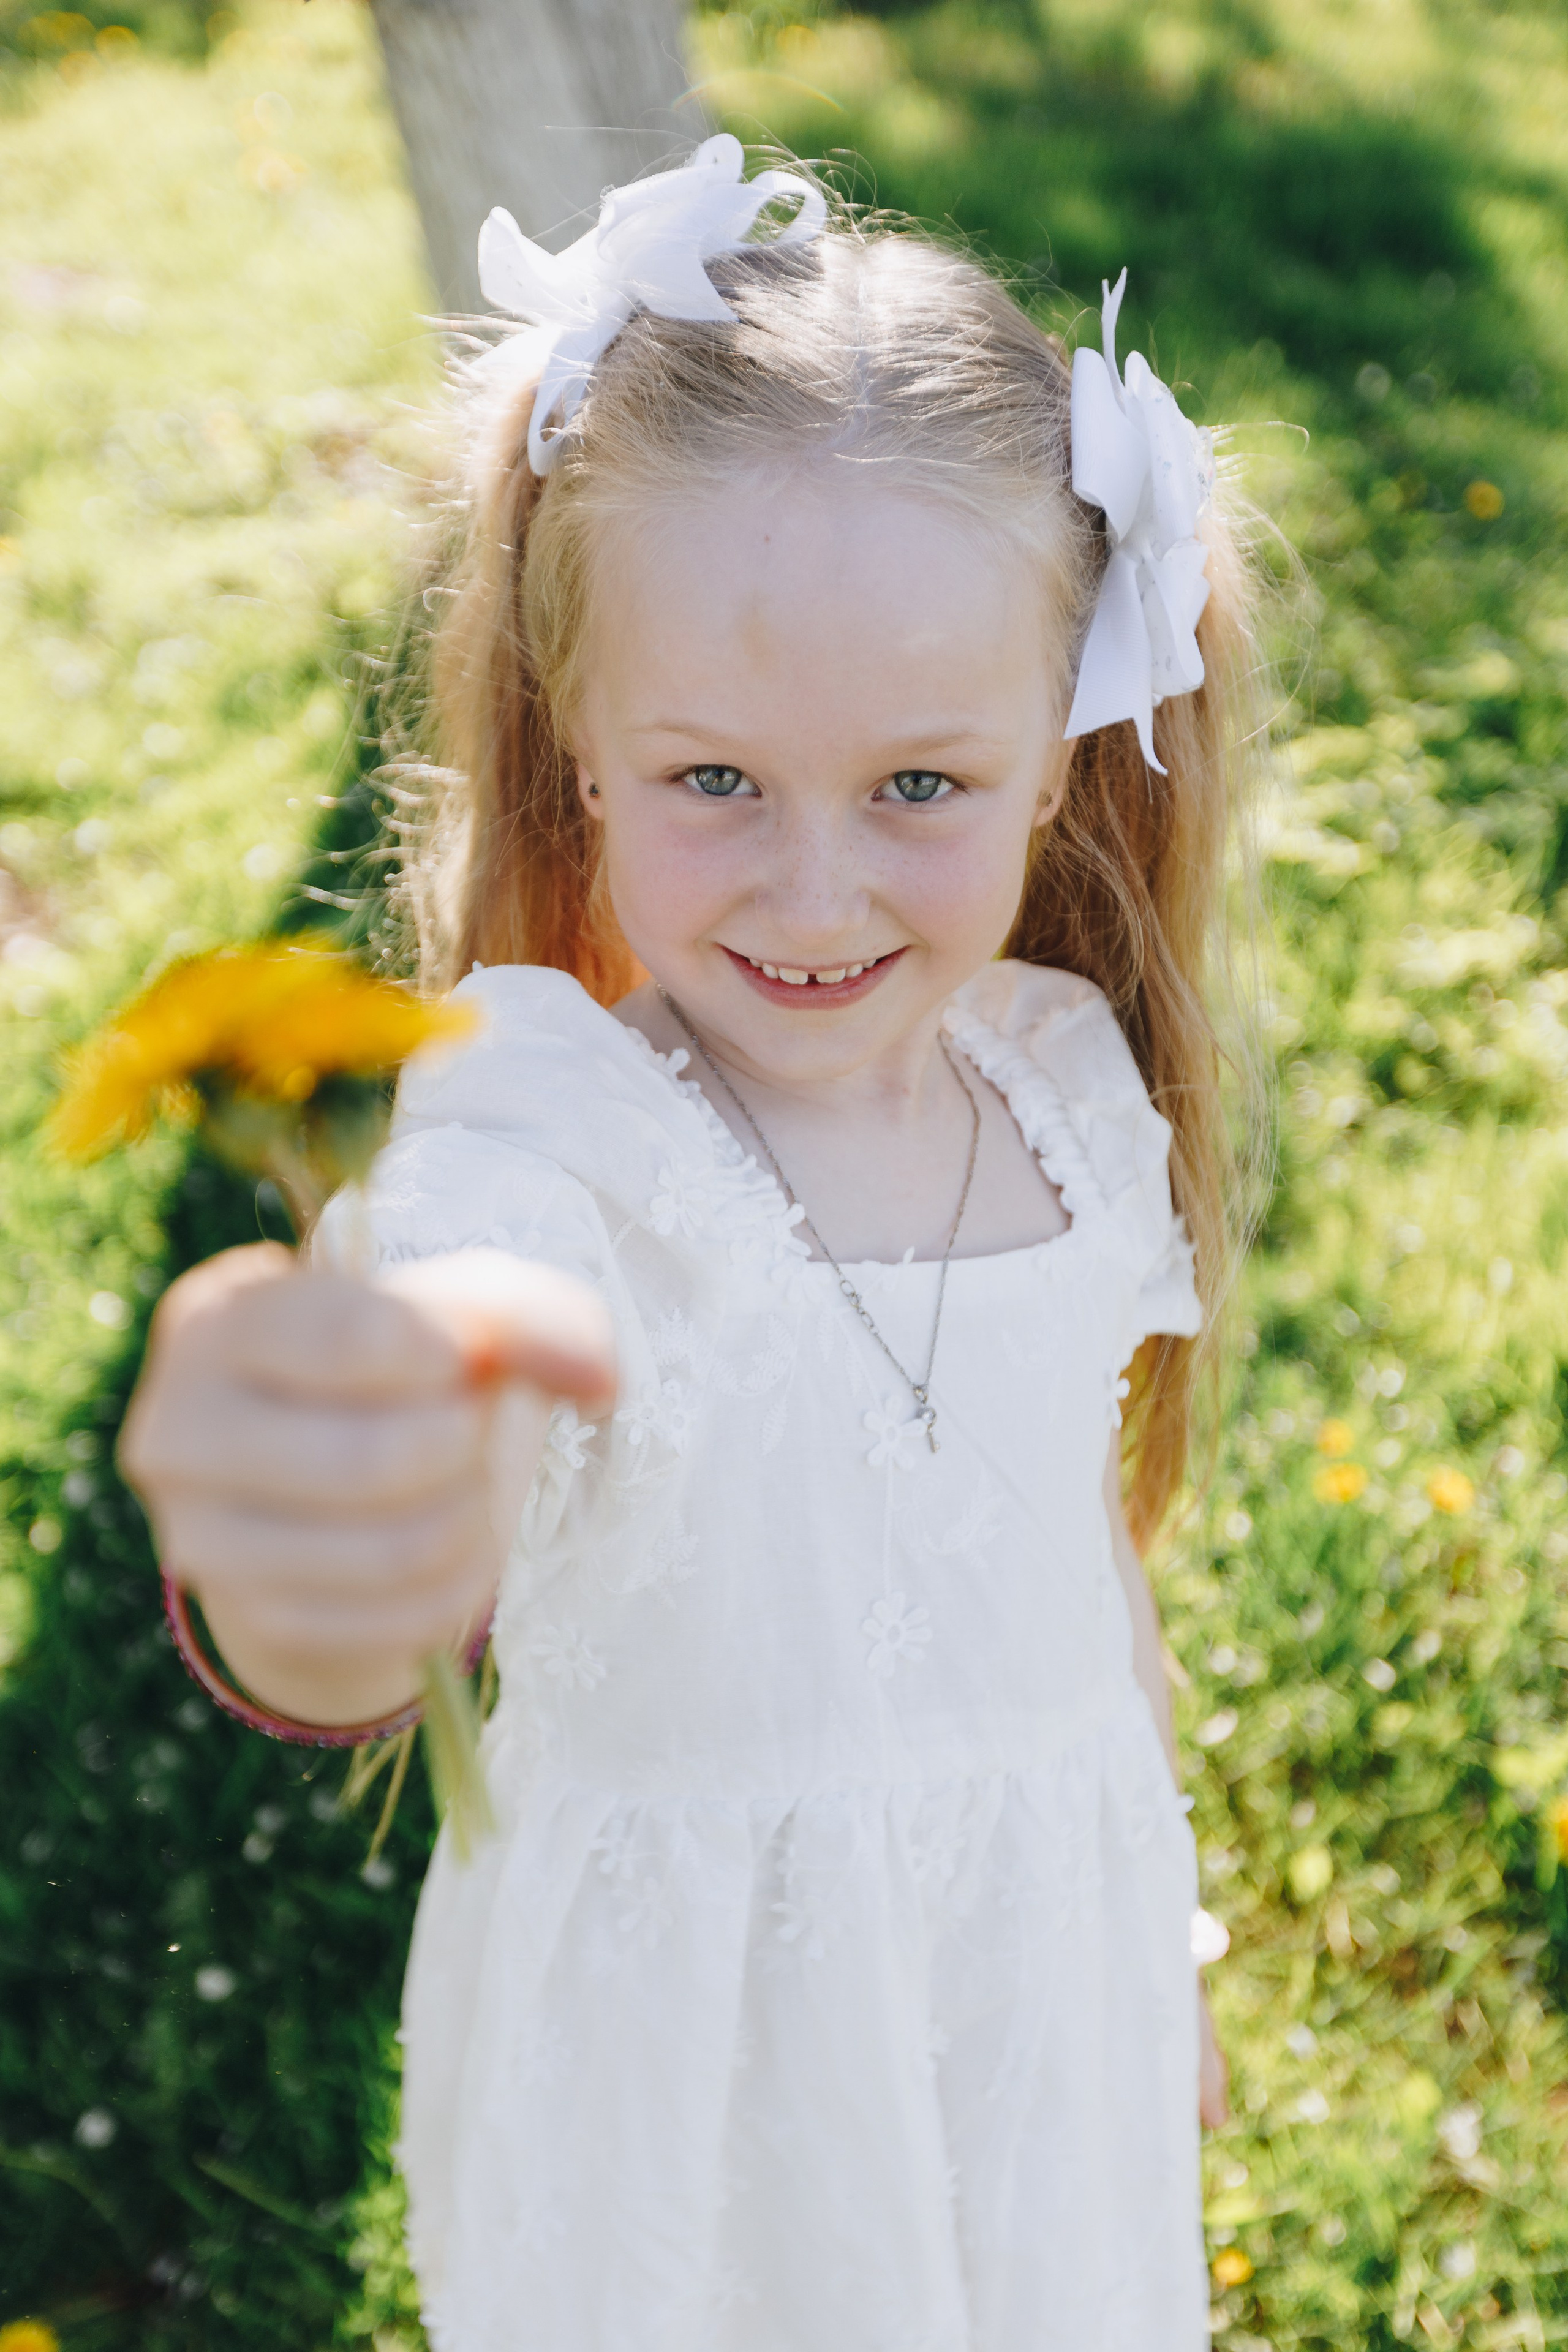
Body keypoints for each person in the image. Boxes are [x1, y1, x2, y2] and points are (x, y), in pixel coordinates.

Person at [123, 134, 1262, 2351]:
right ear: (582, 752)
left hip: (1034, 2023)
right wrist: (349, 1503)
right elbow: (456, 1362)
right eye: (715, 782)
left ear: (1056, 760)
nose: (815, 894)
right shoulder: (549, 1134)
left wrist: (1156, 1958)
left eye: (920, 786)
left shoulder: (1063, 1097)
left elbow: (1080, 1579)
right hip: (686, 2109)